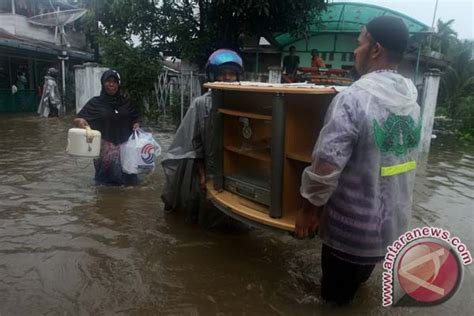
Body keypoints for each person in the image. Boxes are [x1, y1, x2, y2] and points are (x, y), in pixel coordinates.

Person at [295, 16, 421, 305]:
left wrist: (308, 210)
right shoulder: (412, 103)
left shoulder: (353, 98)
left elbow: (326, 165)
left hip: (349, 235)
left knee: (334, 303)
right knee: (358, 290)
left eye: (359, 42)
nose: (355, 51)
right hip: (389, 229)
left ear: (375, 49)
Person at [161, 49, 243, 224]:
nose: (227, 78)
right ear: (213, 75)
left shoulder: (245, 103)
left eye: (231, 74)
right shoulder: (201, 104)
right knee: (201, 215)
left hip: (234, 171)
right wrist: (202, 172)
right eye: (222, 74)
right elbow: (193, 141)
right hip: (205, 169)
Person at [73, 69, 140, 185]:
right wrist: (80, 121)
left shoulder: (126, 102)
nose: (111, 85)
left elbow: (136, 117)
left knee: (129, 184)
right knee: (104, 185)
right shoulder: (95, 103)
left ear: (118, 84)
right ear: (103, 84)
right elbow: (78, 118)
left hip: (125, 149)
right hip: (104, 151)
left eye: (114, 82)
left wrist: (137, 124)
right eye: (108, 81)